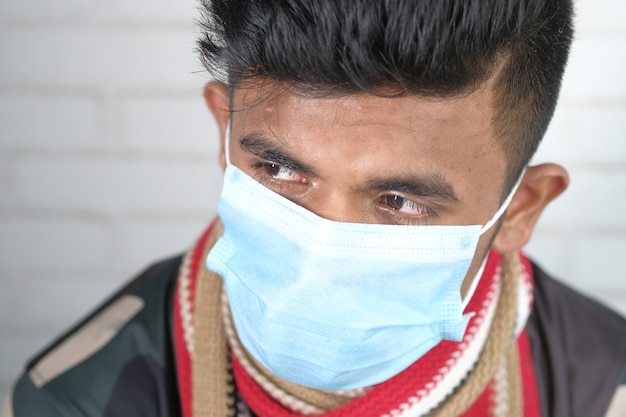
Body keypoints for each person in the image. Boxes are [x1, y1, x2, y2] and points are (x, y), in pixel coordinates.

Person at [3, 0, 626, 416]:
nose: (320, 250)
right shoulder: (75, 397)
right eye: (278, 170)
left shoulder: (604, 386)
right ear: (226, 132)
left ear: (520, 208)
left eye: (400, 201)